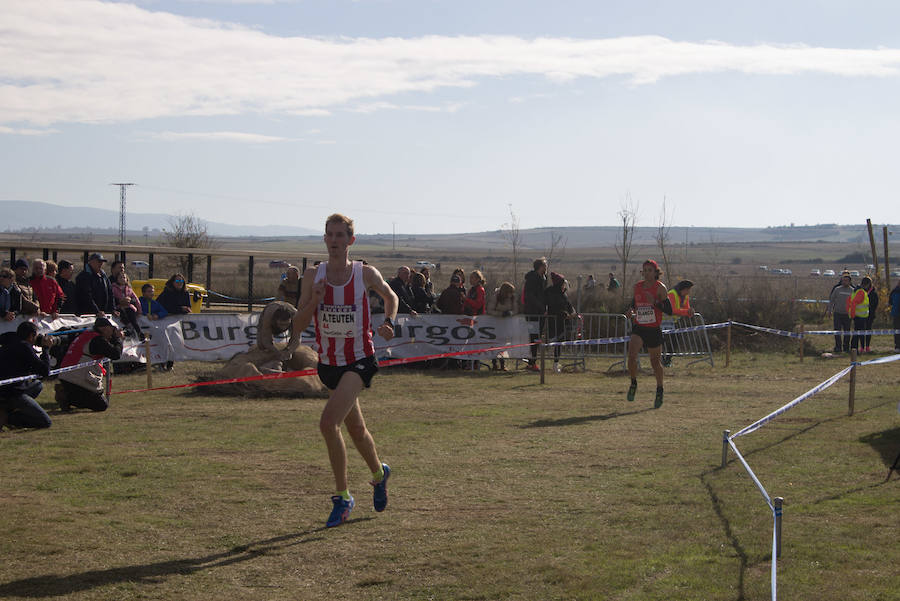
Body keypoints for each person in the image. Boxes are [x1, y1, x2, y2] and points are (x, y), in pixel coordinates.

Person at [291, 213, 398, 528]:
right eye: (330, 235)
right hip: (329, 365)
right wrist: (316, 302)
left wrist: (388, 321)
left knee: (328, 424)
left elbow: (390, 296)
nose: (335, 241)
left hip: (360, 360)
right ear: (324, 239)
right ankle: (380, 474)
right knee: (356, 431)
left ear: (351, 241)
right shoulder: (313, 276)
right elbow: (298, 323)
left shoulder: (364, 273)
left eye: (341, 235)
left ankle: (343, 497)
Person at [56, 316, 123, 412]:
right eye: (112, 329)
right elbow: (116, 354)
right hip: (77, 378)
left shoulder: (87, 335)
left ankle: (66, 393)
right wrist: (118, 339)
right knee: (101, 405)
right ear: (104, 328)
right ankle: (67, 397)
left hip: (67, 376)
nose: (113, 332)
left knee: (95, 396)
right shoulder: (97, 340)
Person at [626, 260, 668, 408]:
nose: (647, 273)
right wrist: (631, 311)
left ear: (656, 272)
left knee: (655, 363)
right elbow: (634, 303)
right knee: (631, 357)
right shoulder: (637, 287)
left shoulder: (660, 288)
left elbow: (668, 309)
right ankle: (633, 383)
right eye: (645, 270)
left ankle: (659, 389)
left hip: (653, 329)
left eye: (650, 270)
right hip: (639, 327)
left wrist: (655, 302)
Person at [0, 322, 53, 430]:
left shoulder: (9, 339)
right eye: (36, 336)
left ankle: (5, 408)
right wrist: (46, 349)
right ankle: (8, 418)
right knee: (45, 422)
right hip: (13, 392)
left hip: (4, 387)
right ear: (31, 336)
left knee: (38, 385)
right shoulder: (24, 347)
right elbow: (45, 371)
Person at [545, 272, 576, 373]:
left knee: (559, 343)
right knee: (557, 343)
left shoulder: (562, 293)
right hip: (555, 322)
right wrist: (565, 314)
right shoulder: (552, 293)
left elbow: (569, 305)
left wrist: (572, 312)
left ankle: (555, 363)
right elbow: (555, 307)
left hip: (562, 323)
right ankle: (554, 363)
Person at [660, 280, 695, 366]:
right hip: (662, 322)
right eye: (688, 290)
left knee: (675, 341)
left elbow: (687, 309)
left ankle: (667, 360)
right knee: (662, 342)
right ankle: (661, 359)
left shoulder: (685, 296)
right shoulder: (672, 294)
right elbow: (673, 310)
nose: (689, 292)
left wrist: (690, 312)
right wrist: (687, 312)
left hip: (673, 323)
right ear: (683, 289)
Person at [523, 258, 548, 371]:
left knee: (537, 338)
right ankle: (531, 362)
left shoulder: (544, 278)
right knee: (533, 336)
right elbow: (530, 296)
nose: (546, 267)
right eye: (544, 265)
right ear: (539, 266)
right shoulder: (532, 279)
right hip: (532, 312)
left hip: (541, 313)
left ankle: (532, 361)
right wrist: (541, 307)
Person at [487, 282, 517, 371]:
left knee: (503, 346)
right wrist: (501, 314)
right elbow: (489, 310)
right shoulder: (495, 297)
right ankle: (494, 364)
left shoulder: (512, 298)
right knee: (494, 345)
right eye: (509, 292)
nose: (511, 294)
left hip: (506, 326)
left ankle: (502, 364)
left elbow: (516, 309)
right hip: (495, 324)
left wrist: (511, 313)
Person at [111, 272, 146, 340]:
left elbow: (136, 299)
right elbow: (112, 298)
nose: (122, 279)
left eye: (124, 277)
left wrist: (139, 310)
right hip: (119, 307)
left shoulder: (129, 289)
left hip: (129, 306)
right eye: (120, 277)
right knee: (122, 314)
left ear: (127, 279)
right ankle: (128, 327)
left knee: (132, 315)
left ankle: (139, 332)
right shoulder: (114, 288)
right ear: (117, 279)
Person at [826, 271, 854, 353]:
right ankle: (838, 347)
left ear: (849, 281)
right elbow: (832, 300)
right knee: (837, 331)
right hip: (837, 313)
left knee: (847, 332)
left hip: (847, 315)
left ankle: (846, 347)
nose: (845, 282)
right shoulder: (837, 289)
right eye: (843, 280)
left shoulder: (852, 291)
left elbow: (854, 303)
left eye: (846, 280)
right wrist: (829, 310)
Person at [848, 276, 871, 353]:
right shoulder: (861, 292)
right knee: (857, 334)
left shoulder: (856, 290)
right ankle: (854, 349)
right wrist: (853, 315)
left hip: (859, 316)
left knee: (857, 334)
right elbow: (854, 303)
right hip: (859, 317)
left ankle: (855, 349)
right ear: (867, 284)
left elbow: (849, 301)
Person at [862, 277, 879, 353]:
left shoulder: (873, 293)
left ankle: (867, 346)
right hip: (861, 315)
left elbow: (875, 304)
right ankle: (862, 347)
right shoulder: (860, 292)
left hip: (870, 315)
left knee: (868, 330)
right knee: (861, 331)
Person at [890, 280, 900, 352]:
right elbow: (890, 302)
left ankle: (897, 346)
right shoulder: (894, 292)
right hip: (896, 314)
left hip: (895, 313)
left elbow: (890, 302)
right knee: (897, 331)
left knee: (897, 331)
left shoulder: (894, 291)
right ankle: (897, 346)